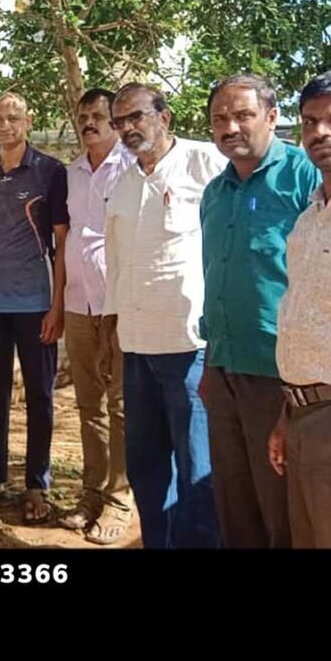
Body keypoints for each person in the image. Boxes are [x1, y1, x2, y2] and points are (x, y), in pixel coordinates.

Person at [199, 73, 318, 548]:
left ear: (272, 117)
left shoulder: (304, 176)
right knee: (234, 502)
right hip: (224, 367)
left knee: (282, 508)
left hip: (281, 373)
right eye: (219, 119)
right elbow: (215, 280)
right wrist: (210, 364)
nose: (231, 127)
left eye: (243, 115)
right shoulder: (215, 192)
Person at [104, 83, 223, 548]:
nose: (128, 129)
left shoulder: (206, 164)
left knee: (197, 468)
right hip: (136, 345)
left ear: (164, 117)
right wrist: (114, 327)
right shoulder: (124, 181)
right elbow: (116, 260)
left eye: (136, 117)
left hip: (189, 345)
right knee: (146, 465)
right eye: (120, 122)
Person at [0, 93, 68, 524]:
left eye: (14, 117)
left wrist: (57, 305)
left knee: (40, 394)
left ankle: (37, 482)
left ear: (28, 120)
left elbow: (61, 243)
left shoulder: (49, 171)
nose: (6, 125)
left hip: (34, 302)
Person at [270, 69, 331, 548]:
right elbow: (304, 318)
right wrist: (288, 415)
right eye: (309, 121)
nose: (320, 132)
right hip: (305, 416)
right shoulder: (311, 216)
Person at [58, 88, 136, 544]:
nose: (89, 122)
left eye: (98, 116)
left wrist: (119, 308)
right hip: (77, 303)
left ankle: (120, 500)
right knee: (88, 405)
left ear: (114, 121)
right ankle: (92, 492)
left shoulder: (131, 168)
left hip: (118, 305)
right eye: (83, 115)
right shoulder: (71, 173)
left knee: (120, 405)